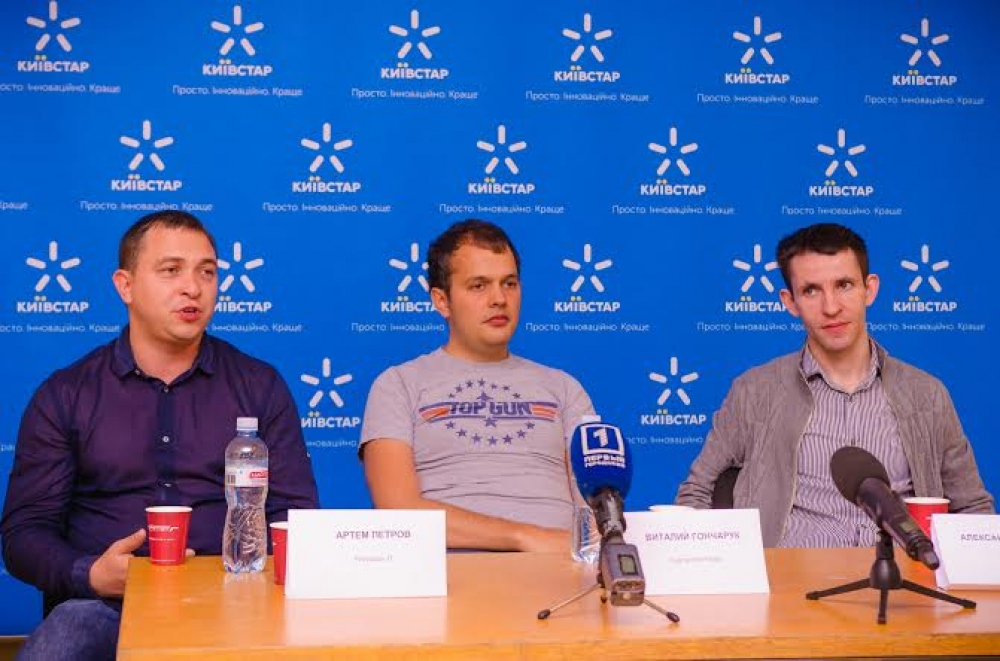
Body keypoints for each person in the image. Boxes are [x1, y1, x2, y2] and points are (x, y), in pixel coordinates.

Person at [1, 211, 319, 661]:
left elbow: (296, 517)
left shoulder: (259, 386)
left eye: (207, 272)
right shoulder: (66, 394)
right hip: (105, 607)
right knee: (68, 632)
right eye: (171, 270)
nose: (193, 288)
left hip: (232, 602)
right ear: (125, 286)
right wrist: (90, 574)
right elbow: (25, 533)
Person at [676, 222, 994, 546]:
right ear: (790, 302)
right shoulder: (754, 391)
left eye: (844, 285)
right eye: (811, 291)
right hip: (788, 574)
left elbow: (972, 510)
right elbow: (696, 493)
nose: (831, 307)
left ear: (869, 289)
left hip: (901, 572)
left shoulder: (926, 395)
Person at [360, 219, 595, 551]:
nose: (499, 299)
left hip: (556, 569)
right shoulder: (397, 385)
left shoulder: (565, 389)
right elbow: (398, 509)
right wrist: (523, 537)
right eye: (479, 286)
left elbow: (595, 514)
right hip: (448, 570)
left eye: (509, 283)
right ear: (441, 301)